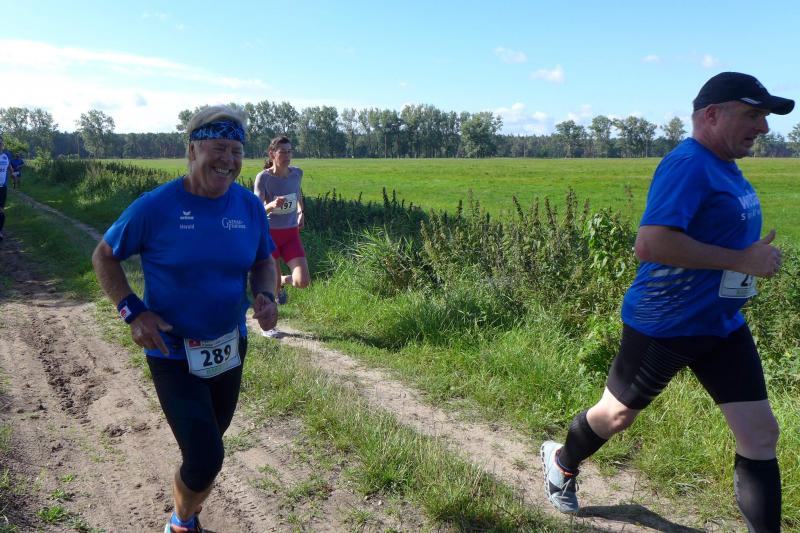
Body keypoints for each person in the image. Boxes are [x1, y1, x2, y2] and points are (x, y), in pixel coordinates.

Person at [541, 72, 794, 532]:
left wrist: (745, 255)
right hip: (667, 323)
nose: (763, 127)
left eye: (764, 117)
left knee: (760, 434)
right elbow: (651, 243)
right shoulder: (689, 165)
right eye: (753, 114)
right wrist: (742, 259)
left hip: (720, 324)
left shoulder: (724, 164)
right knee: (616, 415)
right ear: (711, 115)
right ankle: (562, 460)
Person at [92, 105, 279, 533]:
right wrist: (132, 311)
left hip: (228, 347)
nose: (228, 160)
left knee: (210, 442)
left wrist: (266, 294)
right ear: (193, 149)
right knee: (206, 457)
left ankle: (186, 513)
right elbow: (104, 256)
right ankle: (180, 524)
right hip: (172, 351)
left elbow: (263, 260)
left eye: (236, 151)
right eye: (218, 148)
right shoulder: (155, 206)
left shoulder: (248, 206)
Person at [253, 135, 310, 338]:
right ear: (272, 154)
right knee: (272, 288)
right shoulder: (263, 178)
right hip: (270, 237)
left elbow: (297, 194)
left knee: (303, 281)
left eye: (289, 151)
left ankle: (283, 280)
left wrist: (301, 211)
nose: (287, 156)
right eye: (282, 152)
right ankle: (267, 328)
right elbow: (256, 209)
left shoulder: (297, 173)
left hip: (291, 235)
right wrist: (271, 205)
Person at [0, 135, 12, 241]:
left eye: (1, 143)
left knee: (1, 211)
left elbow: (9, 167)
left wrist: (12, 173)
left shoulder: (5, 156)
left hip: (3, 187)